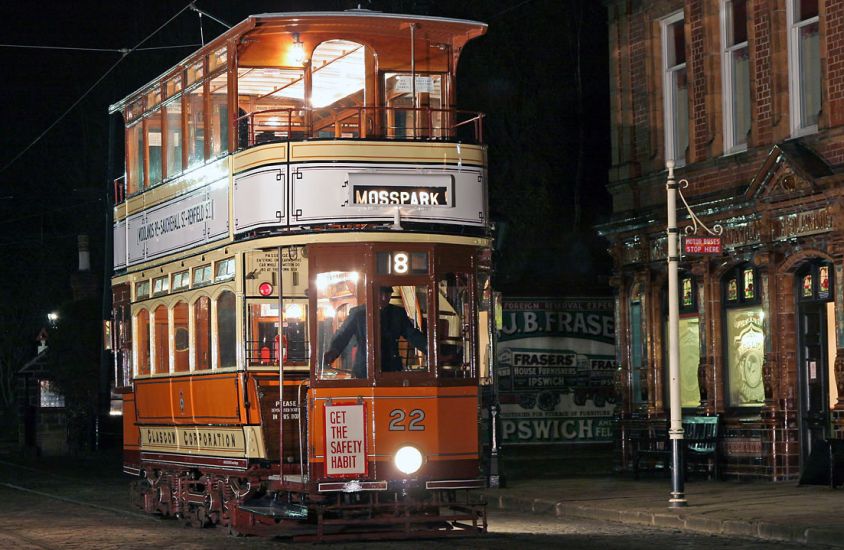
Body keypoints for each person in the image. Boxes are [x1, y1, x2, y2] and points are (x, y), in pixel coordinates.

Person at [323, 286, 427, 377]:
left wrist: (430, 349)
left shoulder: (397, 314)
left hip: (390, 370)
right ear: (372, 294)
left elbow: (413, 335)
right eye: (381, 294)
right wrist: (334, 351)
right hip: (365, 371)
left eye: (387, 294)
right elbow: (343, 335)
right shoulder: (358, 314)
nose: (384, 297)